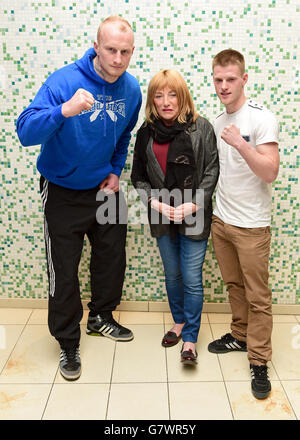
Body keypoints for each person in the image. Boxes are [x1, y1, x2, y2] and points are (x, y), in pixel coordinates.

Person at [16, 16, 142, 381]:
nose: (117, 59)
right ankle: (68, 342)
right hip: (63, 190)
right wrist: (63, 111)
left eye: (125, 52)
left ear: (132, 52)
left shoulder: (131, 89)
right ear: (95, 47)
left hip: (104, 189)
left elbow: (123, 136)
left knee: (111, 257)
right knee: (64, 270)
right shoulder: (64, 81)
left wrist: (116, 170)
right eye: (111, 50)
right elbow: (25, 131)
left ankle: (101, 317)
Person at [131, 69, 219, 365]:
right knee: (172, 275)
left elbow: (211, 171)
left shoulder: (201, 128)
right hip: (162, 216)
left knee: (192, 278)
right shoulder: (145, 132)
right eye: (159, 95)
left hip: (194, 215)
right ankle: (178, 322)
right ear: (152, 100)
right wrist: (154, 202)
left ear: (183, 97)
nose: (166, 101)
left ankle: (191, 338)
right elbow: (138, 178)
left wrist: (194, 204)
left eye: (172, 94)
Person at [207, 49, 280, 399]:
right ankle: (239, 335)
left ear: (244, 79)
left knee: (258, 297)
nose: (223, 86)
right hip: (222, 221)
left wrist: (240, 143)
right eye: (218, 80)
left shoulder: (261, 119)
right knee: (234, 286)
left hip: (252, 226)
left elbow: (270, 171)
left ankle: (259, 359)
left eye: (230, 79)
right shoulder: (217, 121)